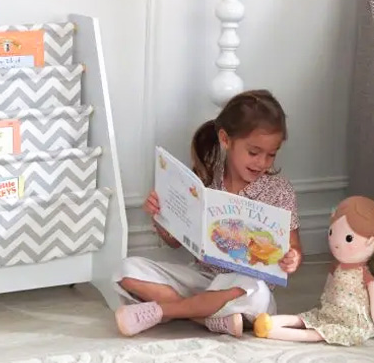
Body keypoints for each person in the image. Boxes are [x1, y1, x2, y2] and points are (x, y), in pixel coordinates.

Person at [112, 89, 303, 338]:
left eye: (271, 155)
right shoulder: (205, 177)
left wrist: (293, 258)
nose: (262, 163)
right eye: (254, 152)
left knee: (254, 293)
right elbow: (173, 242)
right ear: (226, 140)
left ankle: (163, 310)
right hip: (203, 278)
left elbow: (294, 247)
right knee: (126, 270)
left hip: (244, 285)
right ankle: (209, 318)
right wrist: (159, 215)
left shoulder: (279, 191)